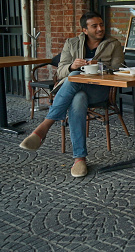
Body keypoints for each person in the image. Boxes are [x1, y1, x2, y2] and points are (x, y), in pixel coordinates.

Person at [20, 11, 124, 178]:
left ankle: (45, 126)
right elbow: (61, 71)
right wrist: (72, 67)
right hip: (76, 91)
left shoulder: (113, 44)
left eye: (101, 25)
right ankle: (79, 159)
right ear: (84, 30)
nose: (100, 29)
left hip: (100, 90)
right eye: (94, 26)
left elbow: (119, 69)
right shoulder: (72, 43)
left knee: (75, 79)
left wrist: (101, 66)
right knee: (77, 97)